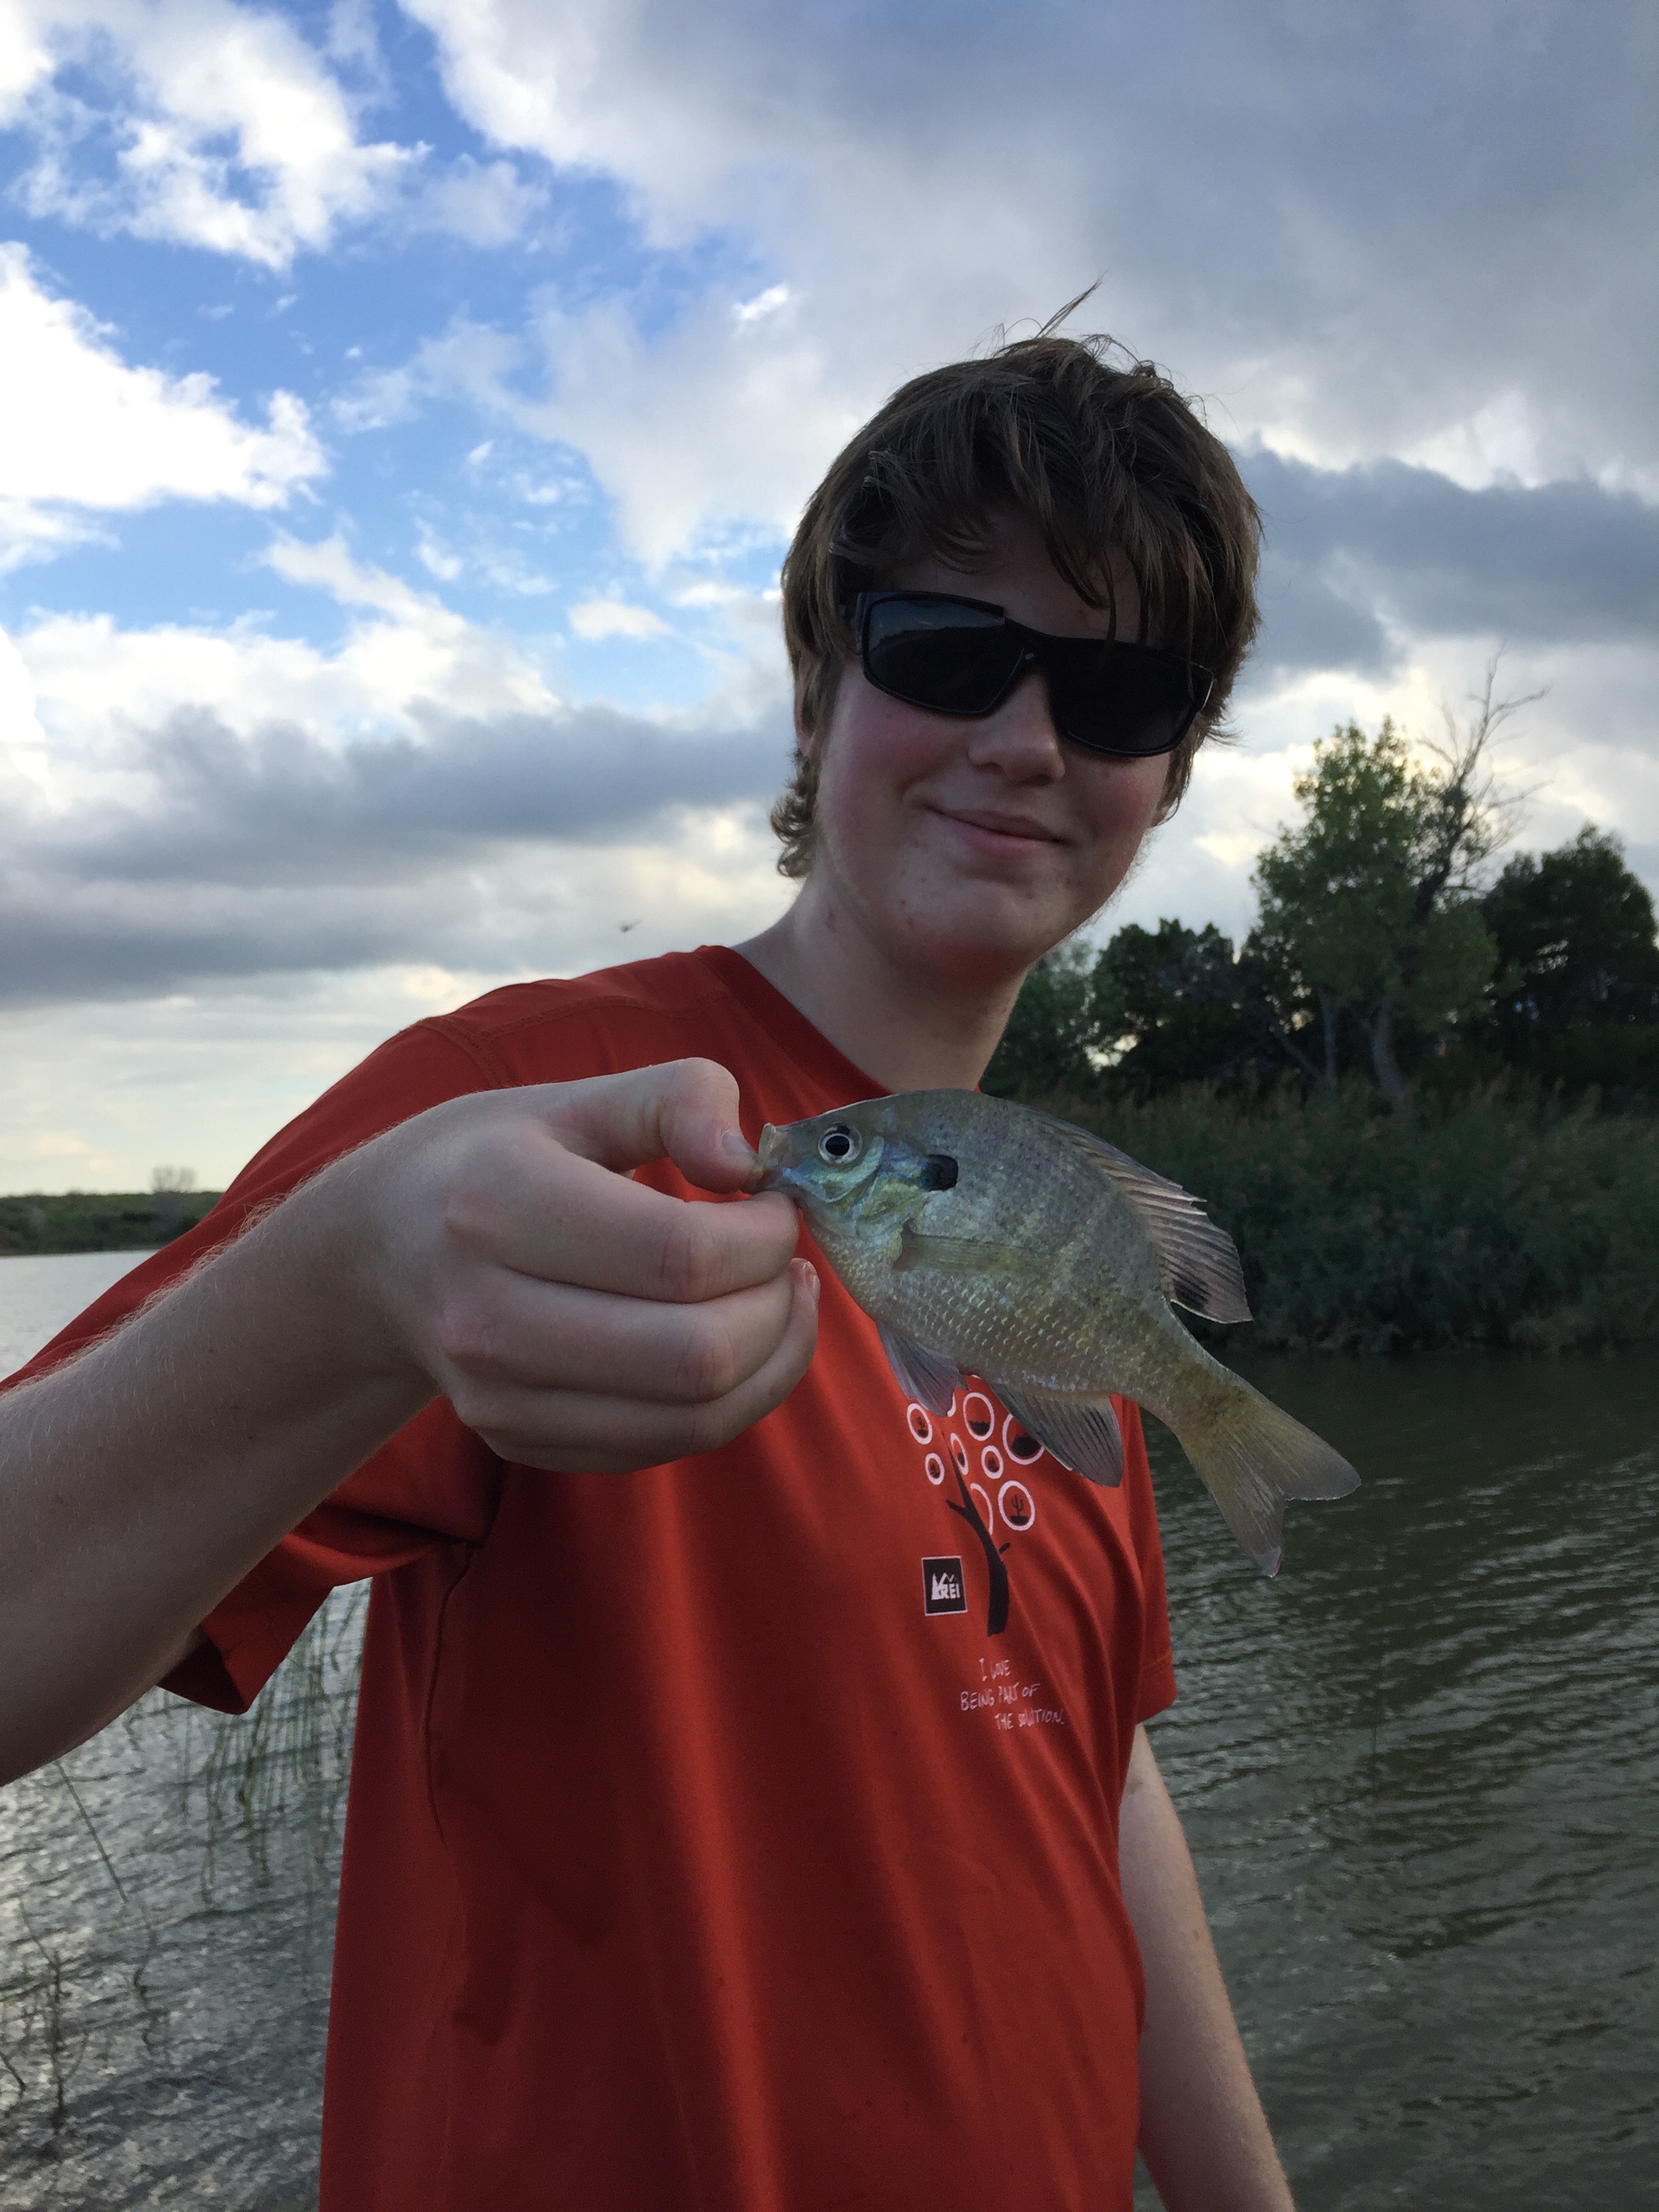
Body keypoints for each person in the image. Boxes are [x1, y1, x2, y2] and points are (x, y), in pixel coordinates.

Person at [0, 329, 1294, 2211]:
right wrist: (350, 1284)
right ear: (817, 685)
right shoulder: (523, 1120)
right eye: (949, 650)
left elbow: (1078, 1760)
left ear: (1167, 776)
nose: (1027, 741)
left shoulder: (1049, 1237)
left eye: (1116, 695)